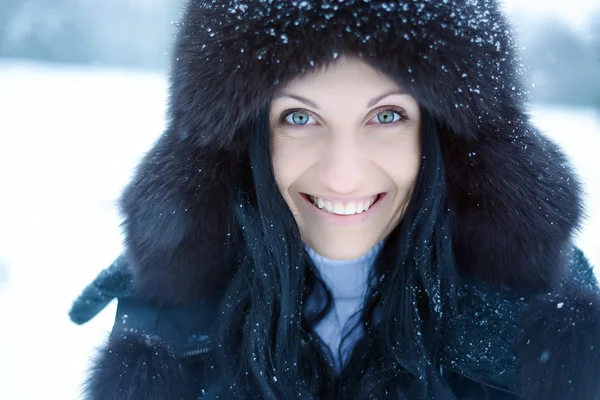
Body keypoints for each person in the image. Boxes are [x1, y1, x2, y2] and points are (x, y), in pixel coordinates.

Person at [69, 0, 600, 399]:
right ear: (248, 139)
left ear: (443, 142)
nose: (343, 176)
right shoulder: (168, 331)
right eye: (300, 117)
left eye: (386, 116)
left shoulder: (544, 334)